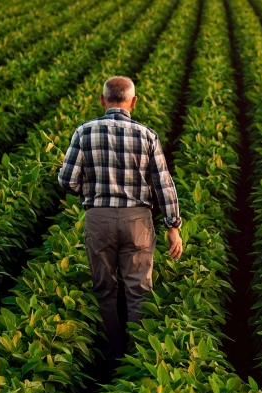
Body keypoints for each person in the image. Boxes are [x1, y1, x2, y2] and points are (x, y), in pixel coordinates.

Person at [57, 76, 184, 375]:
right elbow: (164, 183)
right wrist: (172, 226)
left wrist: (85, 185)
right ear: (133, 102)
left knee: (105, 290)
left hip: (99, 217)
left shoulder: (83, 132)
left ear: (102, 100)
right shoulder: (147, 135)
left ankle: (111, 359)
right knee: (139, 291)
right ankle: (137, 358)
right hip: (137, 220)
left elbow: (67, 181)